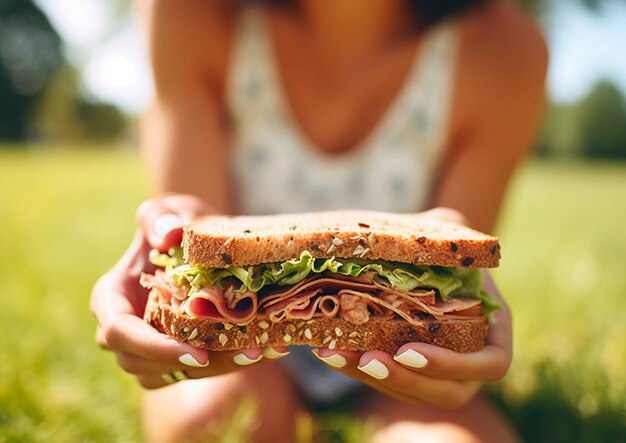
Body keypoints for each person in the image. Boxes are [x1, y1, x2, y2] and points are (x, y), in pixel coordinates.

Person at [91, 0, 547, 441]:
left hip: (399, 358)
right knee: (211, 422)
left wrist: (465, 301)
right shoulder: (190, 9)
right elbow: (199, 245)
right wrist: (166, 234)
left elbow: (455, 260)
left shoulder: (504, 48)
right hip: (237, 354)